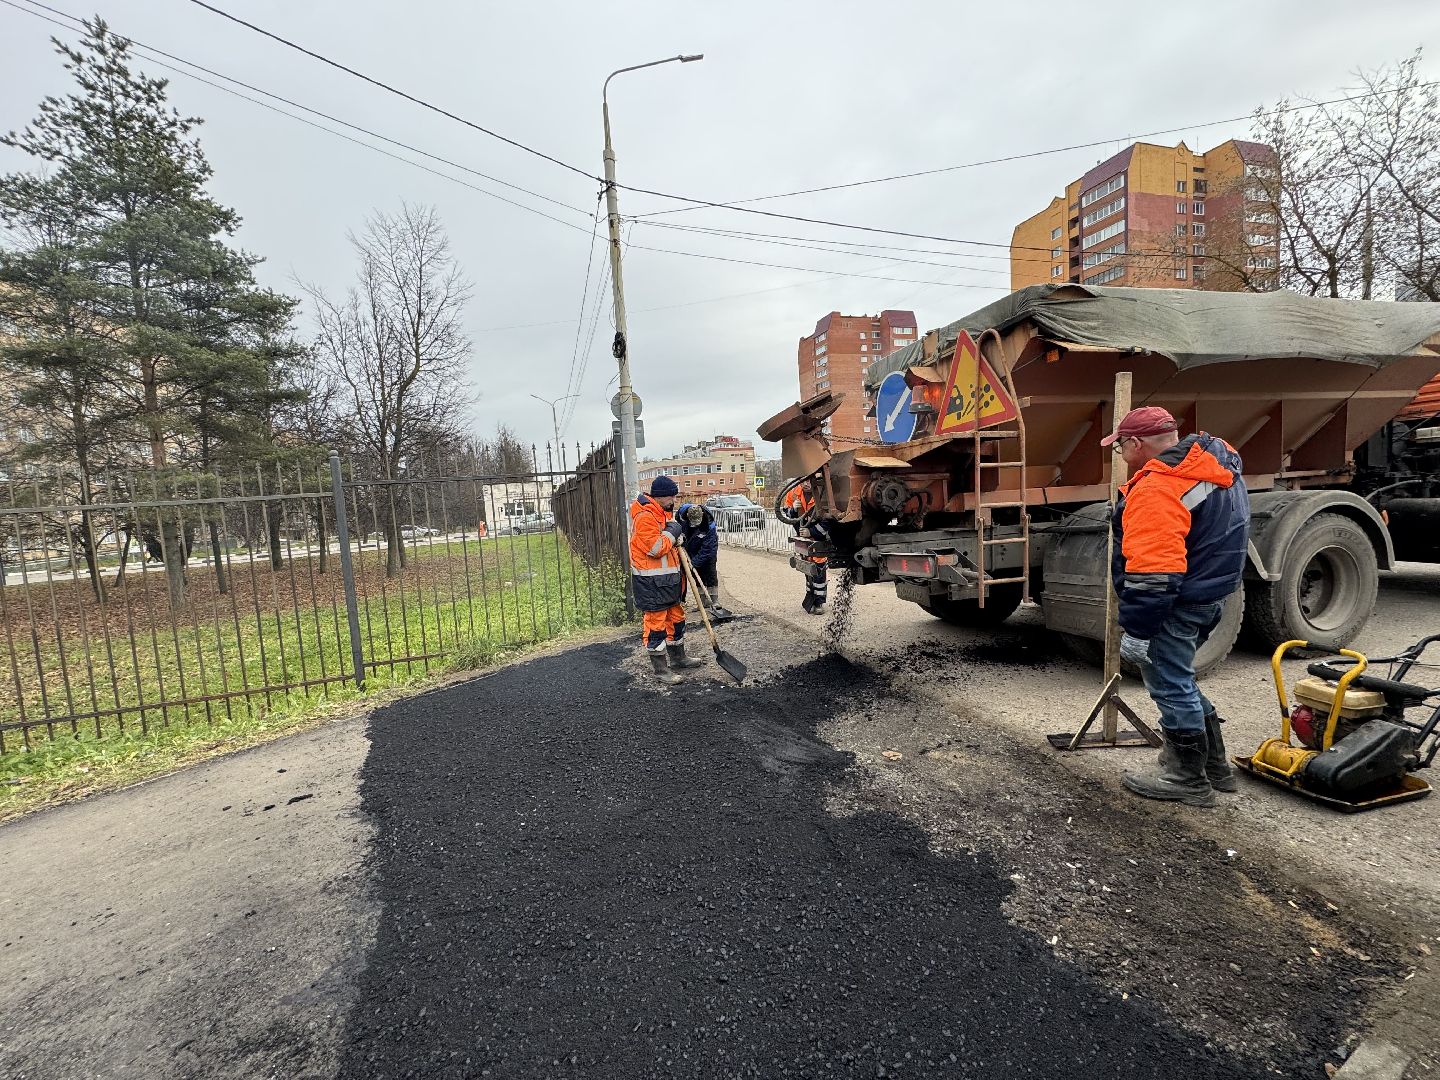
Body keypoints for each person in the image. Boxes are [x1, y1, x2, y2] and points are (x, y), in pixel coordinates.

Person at [1102, 406, 1250, 808]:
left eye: (1120, 447)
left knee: (1169, 685)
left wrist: (1138, 629)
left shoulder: (1158, 487)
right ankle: (1214, 767)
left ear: (1136, 443)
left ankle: (1187, 779)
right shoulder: (1213, 460)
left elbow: (1154, 573)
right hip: (1208, 593)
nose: (1120, 456)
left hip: (1175, 603)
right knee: (1181, 680)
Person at [629, 475, 704, 685]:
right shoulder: (645, 517)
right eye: (671, 496)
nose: (674, 500)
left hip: (668, 582)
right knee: (656, 626)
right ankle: (661, 670)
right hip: (652, 585)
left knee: (676, 619)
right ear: (660, 496)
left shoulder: (662, 514)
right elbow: (655, 548)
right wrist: (672, 532)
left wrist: (675, 535)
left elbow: (670, 542)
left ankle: (679, 658)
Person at [678, 501, 735, 623]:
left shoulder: (709, 525)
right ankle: (702, 603)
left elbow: (708, 549)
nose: (695, 525)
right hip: (690, 550)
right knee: (696, 575)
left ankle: (714, 601)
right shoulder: (681, 516)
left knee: (710, 574)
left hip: (708, 552)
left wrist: (694, 563)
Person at [783, 479, 829, 615]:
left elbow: (829, 521)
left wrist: (812, 532)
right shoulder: (793, 493)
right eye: (804, 480)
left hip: (818, 539)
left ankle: (819, 601)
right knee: (808, 570)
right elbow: (787, 514)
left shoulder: (823, 492)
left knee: (819, 569)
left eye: (810, 480)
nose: (807, 483)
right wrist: (793, 509)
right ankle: (811, 596)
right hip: (803, 539)